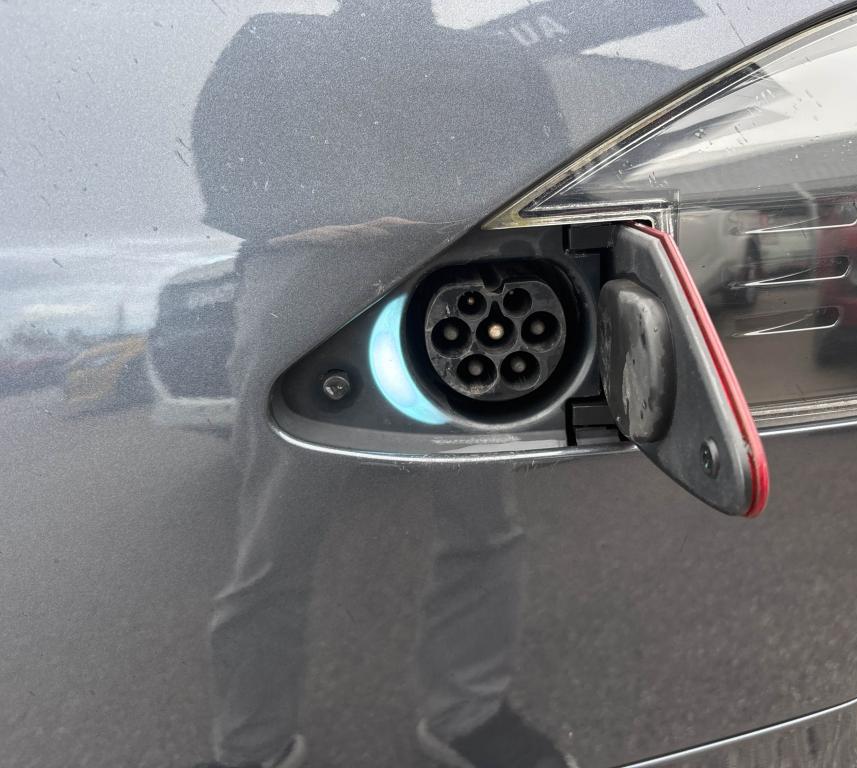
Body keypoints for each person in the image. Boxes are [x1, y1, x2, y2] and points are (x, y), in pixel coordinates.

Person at [188, 2, 576, 766]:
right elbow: (223, 161)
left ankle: (468, 714)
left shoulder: (501, 66)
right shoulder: (271, 42)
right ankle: (252, 745)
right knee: (275, 537)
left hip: (463, 284)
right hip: (313, 277)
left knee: (482, 517)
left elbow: (549, 177)